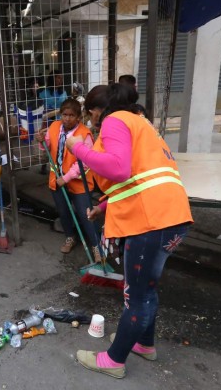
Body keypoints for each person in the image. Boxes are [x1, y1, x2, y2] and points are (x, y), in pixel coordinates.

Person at [66, 84, 193, 379]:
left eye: (91, 114)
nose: (92, 120)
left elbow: (119, 169)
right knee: (146, 288)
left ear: (97, 110)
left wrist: (79, 149)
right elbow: (138, 178)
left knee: (137, 296)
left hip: (151, 222)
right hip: (170, 217)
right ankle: (144, 344)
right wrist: (105, 205)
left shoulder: (115, 120)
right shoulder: (141, 124)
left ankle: (113, 360)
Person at [35, 99, 101, 261]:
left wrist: (66, 178)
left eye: (72, 115)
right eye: (64, 115)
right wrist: (41, 141)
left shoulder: (84, 134)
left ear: (79, 117)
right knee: (63, 212)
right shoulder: (55, 127)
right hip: (57, 179)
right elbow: (48, 147)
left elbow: (85, 163)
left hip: (78, 182)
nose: (67, 118)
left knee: (87, 214)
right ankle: (70, 237)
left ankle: (96, 246)